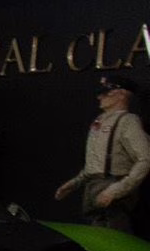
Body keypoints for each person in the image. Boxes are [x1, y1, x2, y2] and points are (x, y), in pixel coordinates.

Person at [56, 75, 149, 231]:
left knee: (115, 235)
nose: (100, 96)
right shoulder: (100, 121)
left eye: (106, 92)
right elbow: (95, 164)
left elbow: (145, 159)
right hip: (93, 190)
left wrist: (117, 189)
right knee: (97, 233)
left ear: (122, 94)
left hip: (113, 191)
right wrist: (74, 183)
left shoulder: (128, 121)